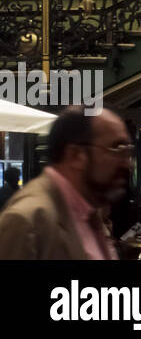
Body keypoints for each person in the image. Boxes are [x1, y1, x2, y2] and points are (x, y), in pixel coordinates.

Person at [0, 106, 132, 260]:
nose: (127, 164)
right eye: (117, 148)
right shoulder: (27, 222)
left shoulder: (87, 211)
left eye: (128, 151)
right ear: (76, 155)